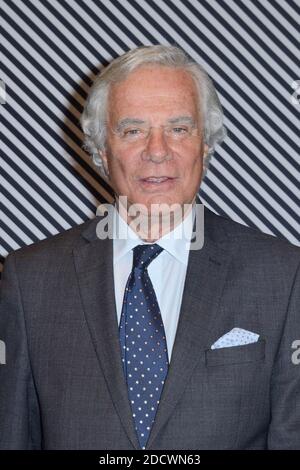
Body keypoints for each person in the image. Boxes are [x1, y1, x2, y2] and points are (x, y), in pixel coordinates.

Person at [0, 45, 299, 450]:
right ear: (102, 151)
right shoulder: (29, 281)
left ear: (206, 145)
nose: (157, 151)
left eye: (179, 128)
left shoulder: (283, 277)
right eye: (133, 130)